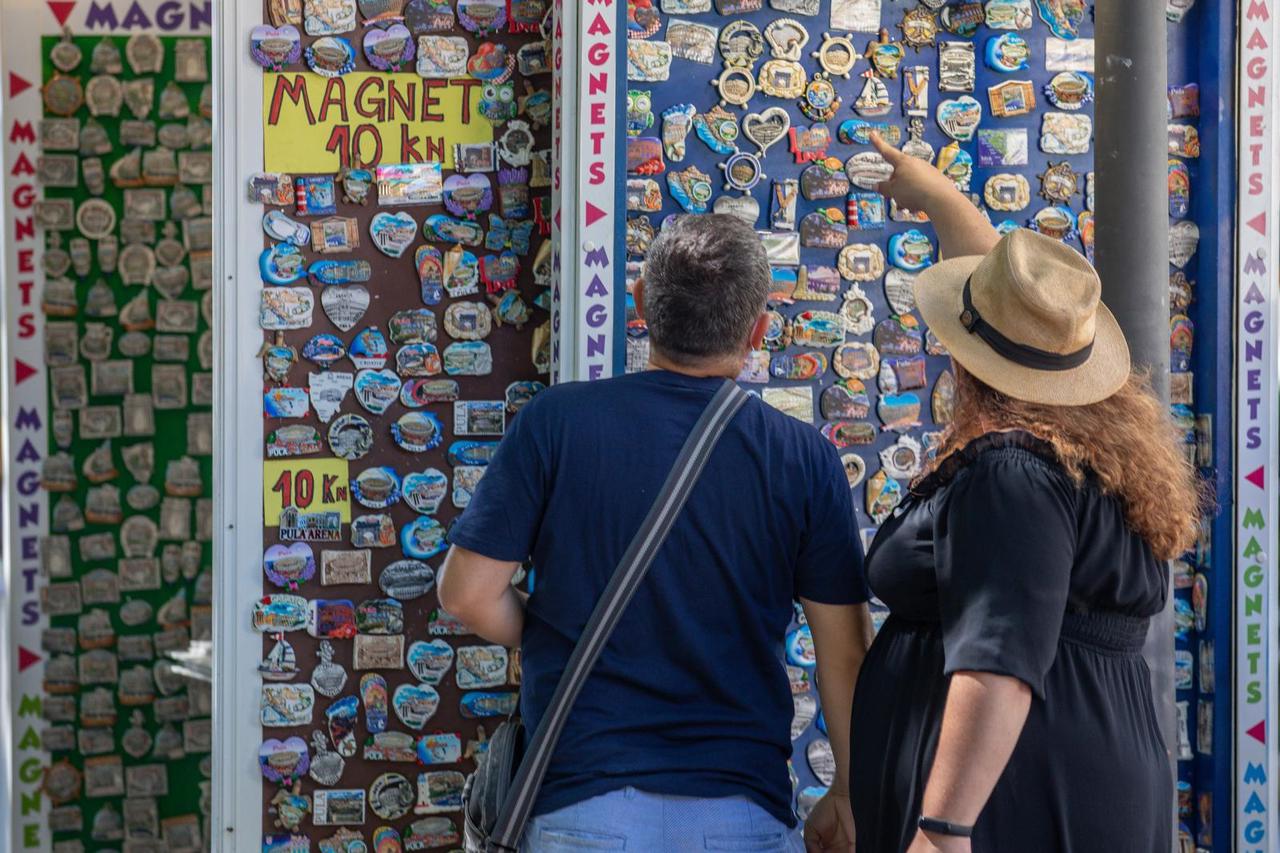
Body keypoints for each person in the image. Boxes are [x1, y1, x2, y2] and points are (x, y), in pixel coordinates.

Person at [439, 214, 873, 853]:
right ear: (758, 328)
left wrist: (561, 627)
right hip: (741, 809)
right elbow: (845, 654)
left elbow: (466, 595)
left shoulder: (556, 423)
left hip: (580, 805)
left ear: (640, 306)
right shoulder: (802, 456)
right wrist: (847, 793)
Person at [846, 132, 1202, 853]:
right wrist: (941, 197)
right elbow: (1006, 300)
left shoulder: (1011, 471)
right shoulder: (1085, 452)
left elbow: (998, 661)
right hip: (1083, 762)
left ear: (972, 363)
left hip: (1014, 794)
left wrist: (943, 830)